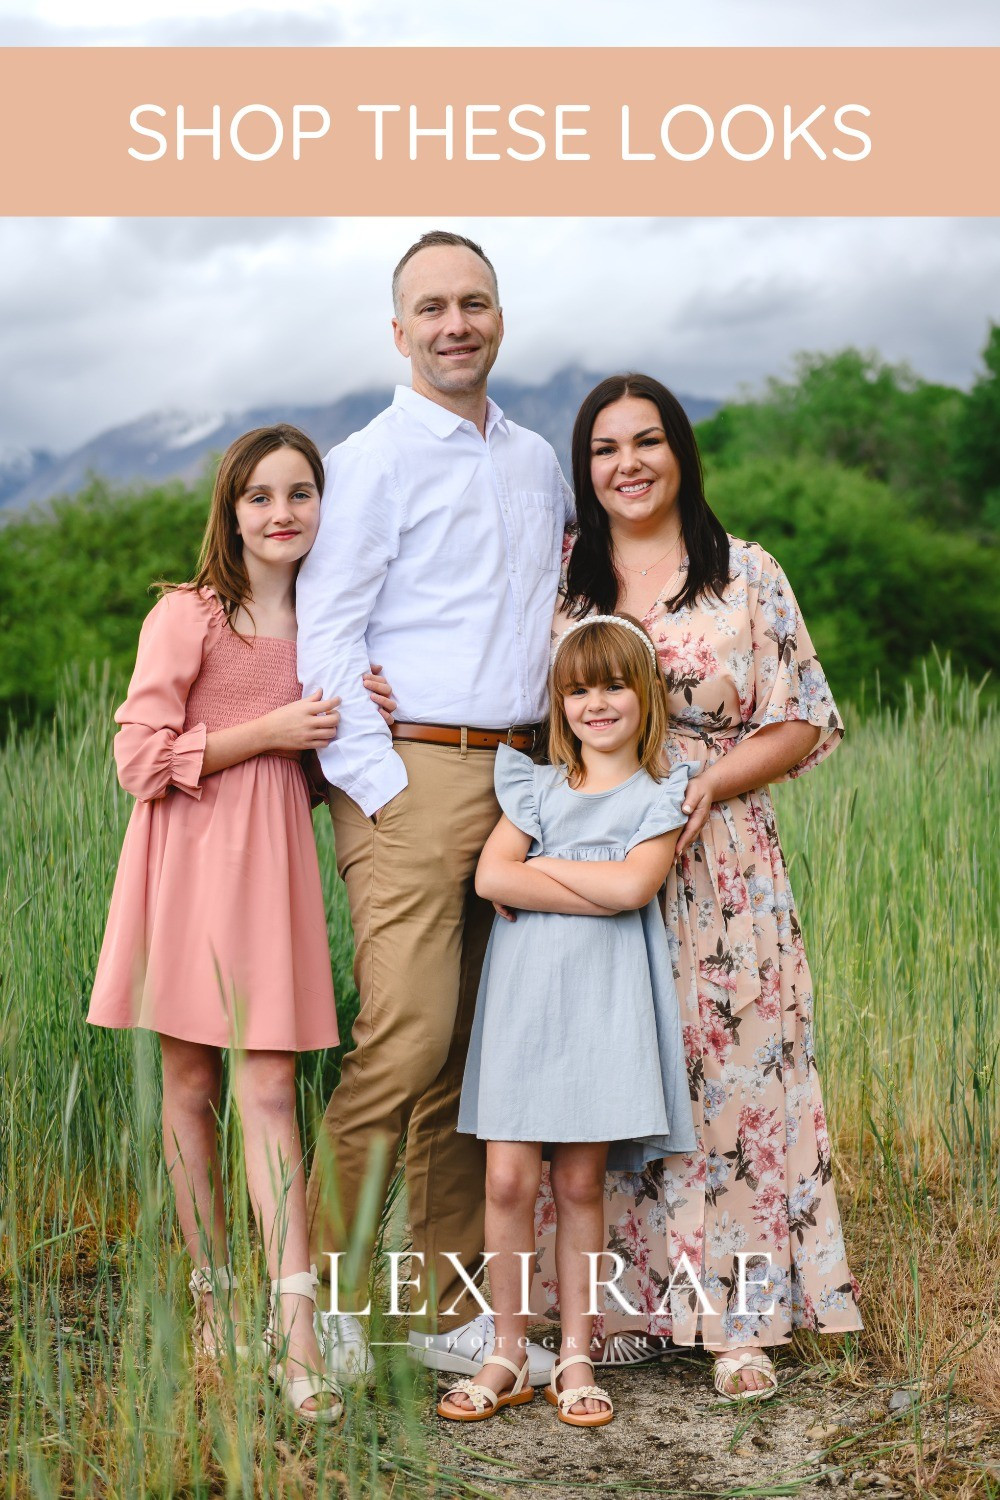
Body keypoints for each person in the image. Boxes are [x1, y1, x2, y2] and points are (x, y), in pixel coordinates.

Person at [533, 374, 862, 1401]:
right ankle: (624, 1311)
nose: (625, 464)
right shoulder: (560, 581)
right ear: (584, 472)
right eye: (602, 450)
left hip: (721, 862)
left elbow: (805, 717)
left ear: (679, 451)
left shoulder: (745, 574)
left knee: (733, 1081)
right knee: (613, 1081)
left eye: (645, 441)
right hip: (596, 859)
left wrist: (705, 782)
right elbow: (510, 709)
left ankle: (739, 1322)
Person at [296, 231, 573, 1384]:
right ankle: (324, 1301)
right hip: (412, 773)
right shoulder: (369, 460)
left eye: (474, 303)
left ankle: (444, 1302)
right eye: (431, 307)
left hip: (521, 776)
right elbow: (328, 634)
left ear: (499, 316)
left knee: (469, 1056)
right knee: (401, 1037)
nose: (454, 323)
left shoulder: (536, 459)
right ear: (397, 328)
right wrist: (382, 784)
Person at [87, 424, 394, 1423]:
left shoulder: (327, 625)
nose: (281, 513)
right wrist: (269, 730)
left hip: (270, 872)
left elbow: (300, 780)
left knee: (268, 1089)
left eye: (300, 493)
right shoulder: (191, 616)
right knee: (188, 1082)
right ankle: (215, 1298)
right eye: (260, 496)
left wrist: (352, 722)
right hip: (183, 865)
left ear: (322, 505)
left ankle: (295, 1329)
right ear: (230, 507)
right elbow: (138, 759)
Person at [436, 615, 696, 1428]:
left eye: (613, 685)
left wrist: (538, 870)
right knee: (508, 1178)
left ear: (644, 694)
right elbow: (489, 879)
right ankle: (506, 1351)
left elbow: (632, 891)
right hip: (524, 1005)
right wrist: (576, 871)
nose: (596, 703)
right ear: (560, 702)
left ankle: (577, 1353)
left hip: (603, 1006)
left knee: (580, 1181)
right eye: (578, 689)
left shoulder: (661, 794)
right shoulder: (536, 786)